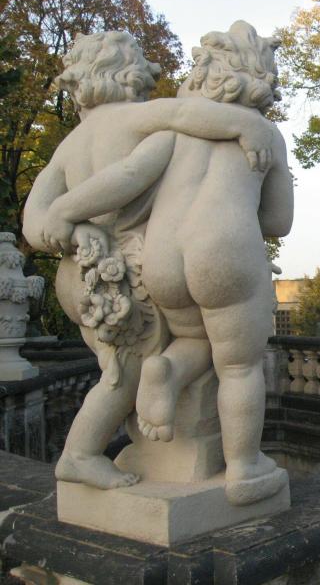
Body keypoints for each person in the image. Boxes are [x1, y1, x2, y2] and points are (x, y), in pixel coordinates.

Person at [22, 30, 278, 492]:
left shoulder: (68, 147)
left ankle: (97, 449)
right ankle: (79, 454)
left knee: (118, 370)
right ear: (131, 75)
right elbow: (175, 125)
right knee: (133, 371)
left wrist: (70, 226)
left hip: (77, 274)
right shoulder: (145, 119)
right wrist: (248, 126)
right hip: (124, 270)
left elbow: (34, 225)